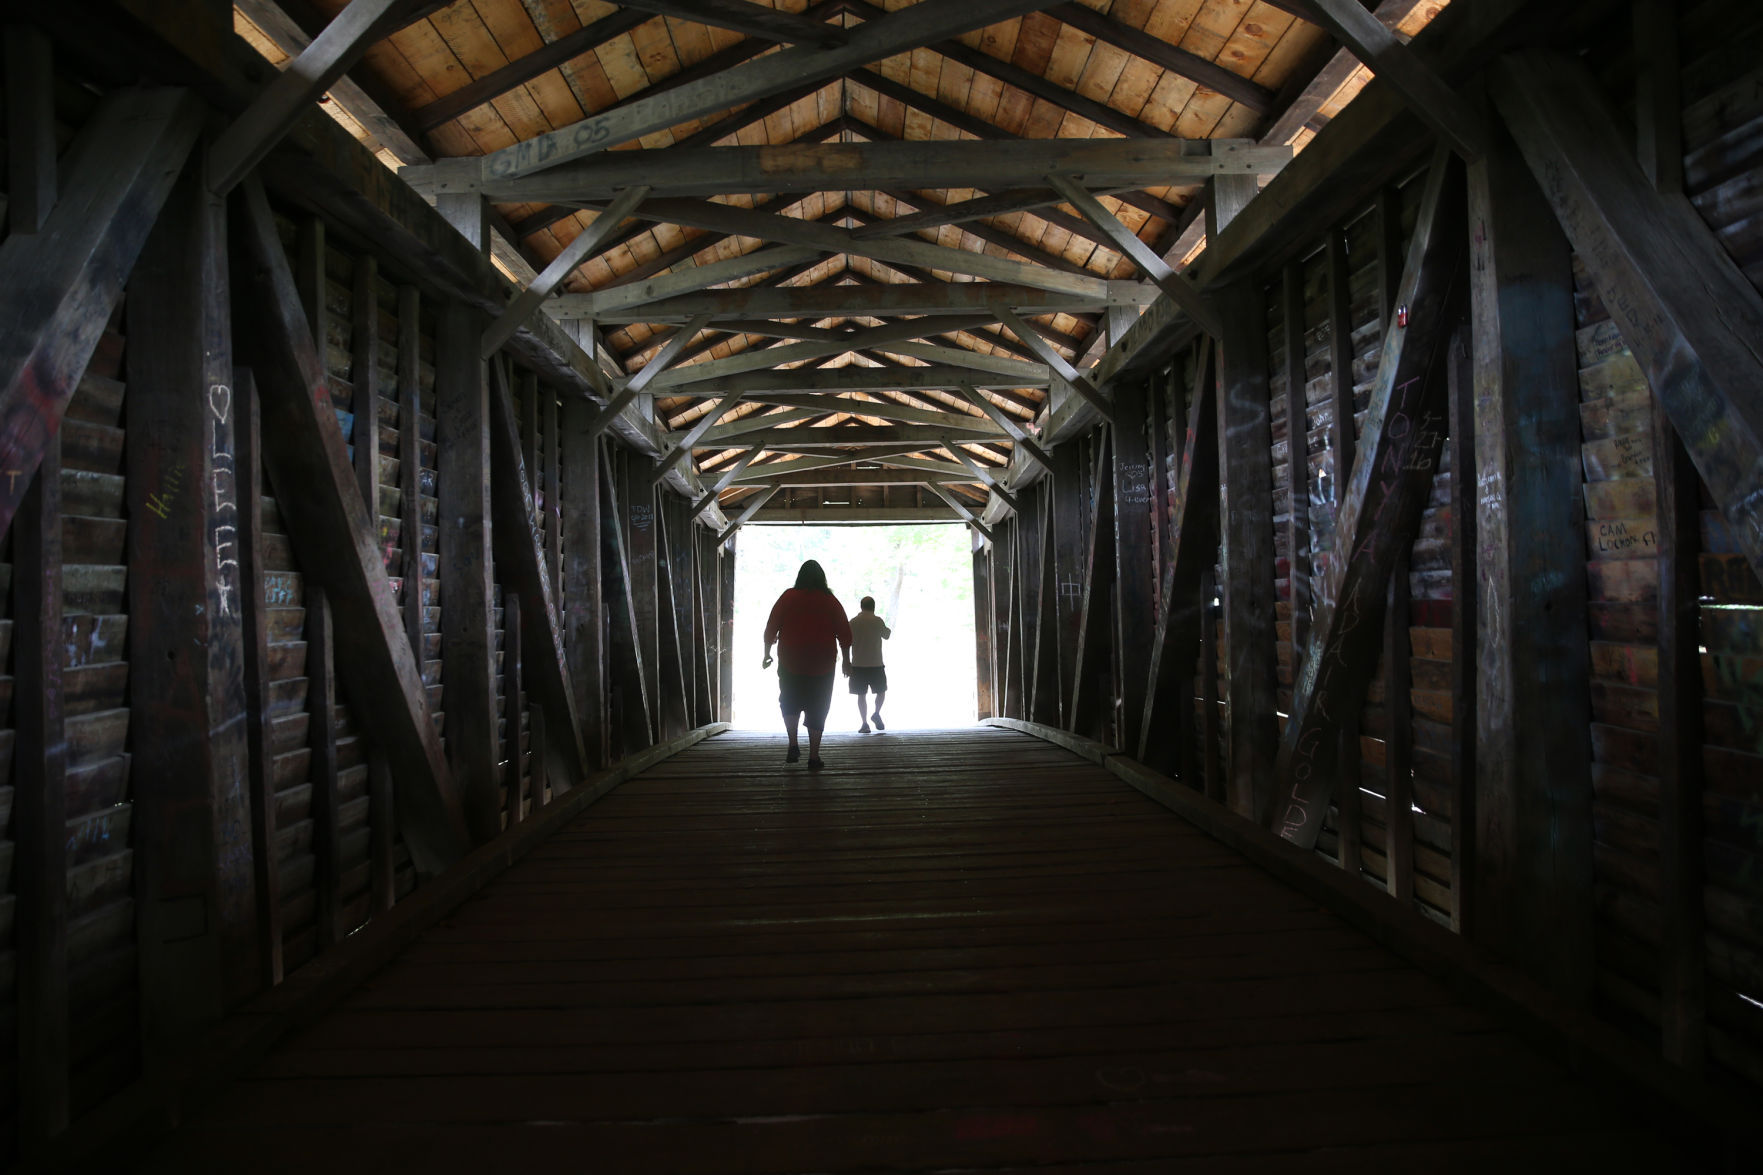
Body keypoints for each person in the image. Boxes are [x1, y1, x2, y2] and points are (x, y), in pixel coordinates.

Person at [762, 560, 852, 770]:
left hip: (790, 661)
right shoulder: (830, 600)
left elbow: (771, 627)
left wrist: (766, 654)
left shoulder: (788, 597)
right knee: (818, 707)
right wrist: (847, 661)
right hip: (822, 664)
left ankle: (793, 743)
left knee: (790, 701)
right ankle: (813, 756)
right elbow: (845, 634)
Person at [846, 596, 891, 733]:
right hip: (876, 663)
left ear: (861, 606)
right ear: (874, 607)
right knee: (881, 691)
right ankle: (876, 713)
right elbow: (887, 635)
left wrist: (846, 661)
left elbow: (846, 641)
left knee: (861, 695)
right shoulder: (877, 621)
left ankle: (864, 723)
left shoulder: (853, 622)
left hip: (858, 664)